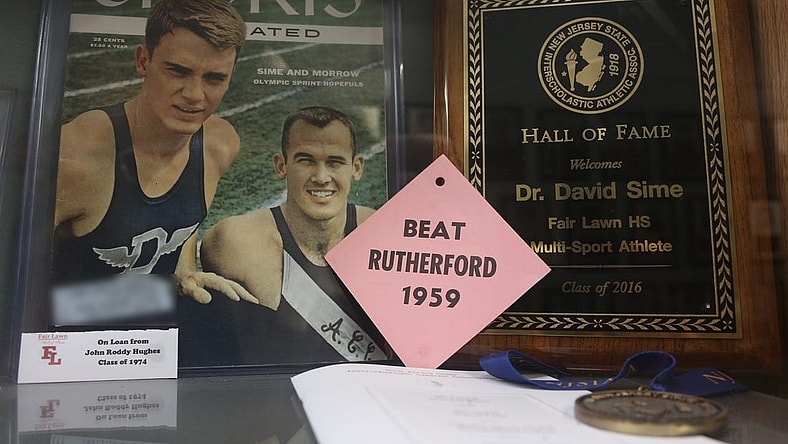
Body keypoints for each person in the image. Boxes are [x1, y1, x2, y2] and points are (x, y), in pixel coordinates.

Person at [52, 0, 256, 306]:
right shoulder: (76, 157)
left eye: (214, 78)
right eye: (178, 71)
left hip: (152, 320)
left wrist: (186, 270)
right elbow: (14, 280)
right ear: (143, 61)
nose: (195, 95)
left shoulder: (220, 144)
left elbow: (183, 221)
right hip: (72, 333)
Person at [196, 106, 387, 364]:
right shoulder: (233, 241)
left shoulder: (381, 233)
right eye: (306, 160)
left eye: (335, 162)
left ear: (356, 167)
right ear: (281, 165)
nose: (321, 177)